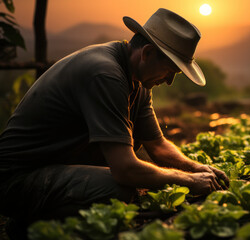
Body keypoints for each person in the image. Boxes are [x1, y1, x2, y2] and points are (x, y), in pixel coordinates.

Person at [0, 8, 229, 239]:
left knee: (138, 150)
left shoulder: (138, 81)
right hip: (16, 179)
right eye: (170, 71)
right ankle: (31, 228)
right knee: (118, 189)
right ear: (147, 53)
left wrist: (197, 169)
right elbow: (125, 169)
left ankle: (32, 220)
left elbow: (157, 145)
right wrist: (189, 181)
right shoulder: (105, 73)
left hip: (54, 165)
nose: (169, 81)